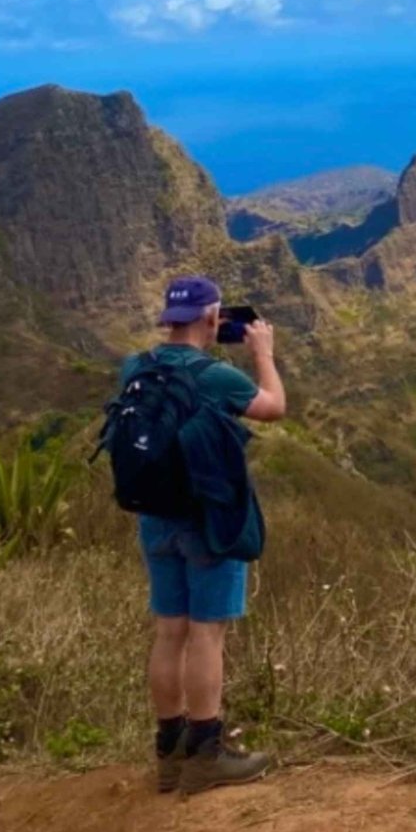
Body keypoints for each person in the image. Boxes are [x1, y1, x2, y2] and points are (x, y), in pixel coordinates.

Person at [119, 275, 286, 796]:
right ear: (213, 319)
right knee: (206, 634)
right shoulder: (214, 375)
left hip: (155, 518)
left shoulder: (135, 367)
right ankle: (207, 751)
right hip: (208, 522)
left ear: (168, 319)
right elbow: (273, 406)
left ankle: (169, 753)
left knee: (170, 632)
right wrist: (263, 353)